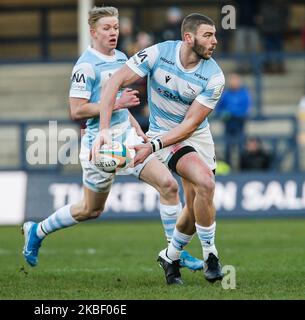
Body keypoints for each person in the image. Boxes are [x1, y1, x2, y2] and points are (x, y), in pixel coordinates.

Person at [22, 6, 202, 272]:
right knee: (90, 210)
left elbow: (120, 102)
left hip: (127, 139)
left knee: (169, 186)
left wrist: (135, 127)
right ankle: (37, 230)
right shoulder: (85, 66)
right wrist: (119, 104)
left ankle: (174, 252)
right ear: (93, 32)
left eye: (116, 28)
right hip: (100, 143)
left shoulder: (121, 58)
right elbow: (77, 110)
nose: (113, 33)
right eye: (106, 28)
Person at [96, 13, 226, 285]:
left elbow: (190, 125)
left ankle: (170, 255)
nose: (215, 41)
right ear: (188, 38)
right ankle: (211, 255)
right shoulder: (158, 54)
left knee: (193, 208)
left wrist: (152, 146)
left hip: (196, 137)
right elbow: (114, 82)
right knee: (206, 181)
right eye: (208, 35)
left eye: (215, 35)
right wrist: (105, 131)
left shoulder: (214, 77)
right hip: (165, 136)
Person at [215, 72, 251, 166]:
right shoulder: (226, 94)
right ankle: (228, 167)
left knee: (241, 147)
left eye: (235, 80)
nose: (233, 82)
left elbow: (245, 109)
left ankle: (242, 167)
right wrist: (222, 114)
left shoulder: (244, 94)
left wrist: (231, 113)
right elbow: (219, 108)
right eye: (232, 80)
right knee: (228, 147)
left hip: (239, 124)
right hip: (228, 124)